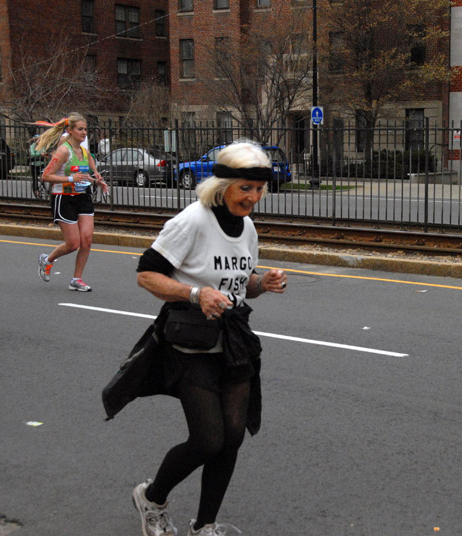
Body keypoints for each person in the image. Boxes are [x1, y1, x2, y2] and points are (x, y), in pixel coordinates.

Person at [102, 141, 287, 536]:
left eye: (258, 189)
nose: (253, 197)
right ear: (223, 185)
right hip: (191, 344)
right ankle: (152, 498)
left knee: (232, 438)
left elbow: (240, 286)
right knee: (208, 439)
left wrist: (262, 283)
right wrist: (194, 294)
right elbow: (146, 274)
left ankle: (204, 526)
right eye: (245, 188)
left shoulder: (248, 227)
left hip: (233, 343)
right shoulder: (193, 220)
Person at [35, 113, 108, 291]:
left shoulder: (84, 152)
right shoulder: (63, 151)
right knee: (73, 244)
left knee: (87, 240)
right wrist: (70, 178)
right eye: (80, 129)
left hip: (82, 197)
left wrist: (96, 180)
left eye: (85, 129)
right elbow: (45, 176)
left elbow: (83, 176)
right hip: (64, 199)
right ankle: (47, 259)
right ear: (70, 130)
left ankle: (77, 279)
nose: (84, 133)